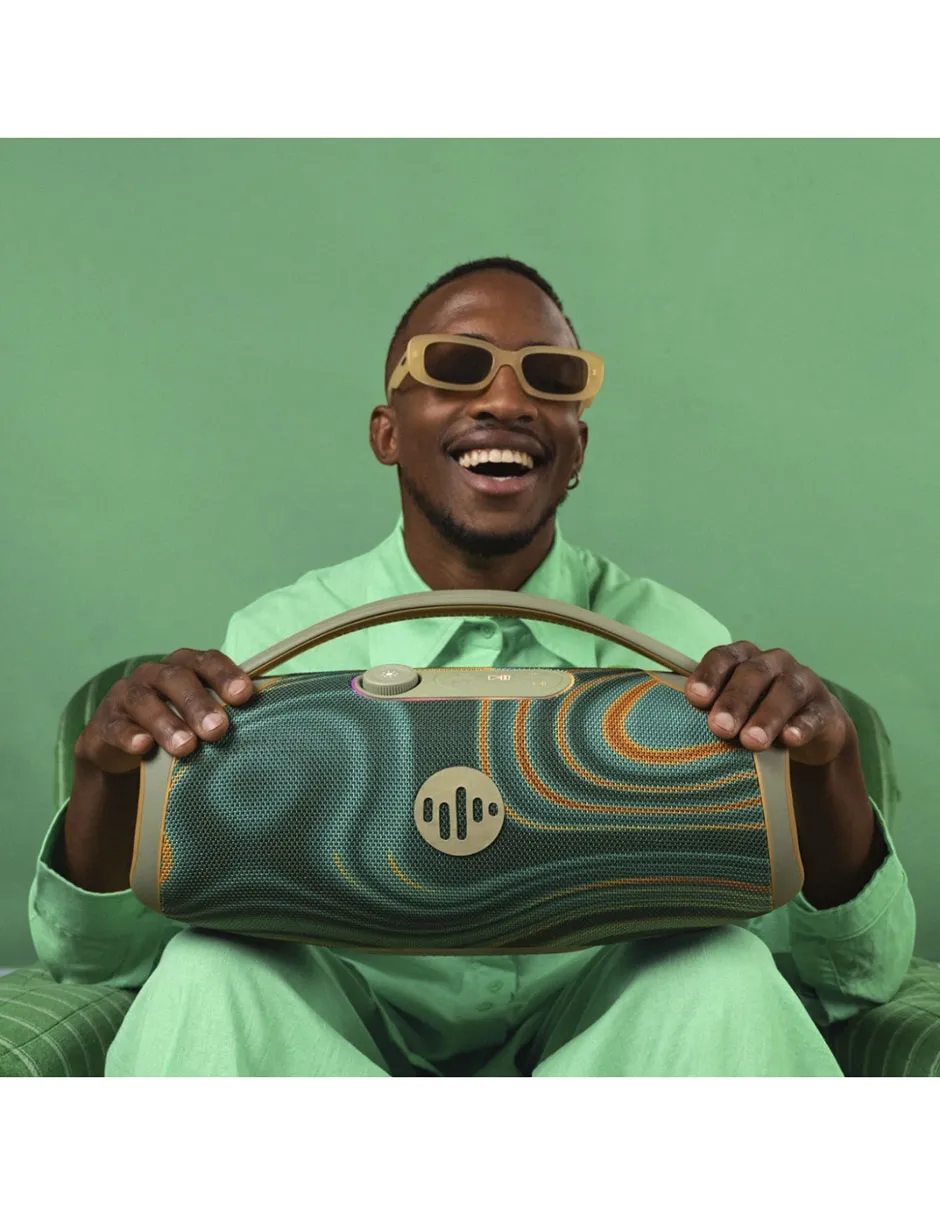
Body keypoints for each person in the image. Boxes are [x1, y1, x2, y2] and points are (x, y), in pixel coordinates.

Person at [29, 257, 915, 1076]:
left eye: (551, 377)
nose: (506, 398)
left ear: (577, 448)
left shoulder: (679, 647)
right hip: (337, 1058)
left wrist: (827, 770)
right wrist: (106, 780)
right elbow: (97, 962)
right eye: (456, 365)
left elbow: (862, 975)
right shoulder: (279, 644)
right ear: (387, 433)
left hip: (610, 1055)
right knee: (206, 972)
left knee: (727, 974)